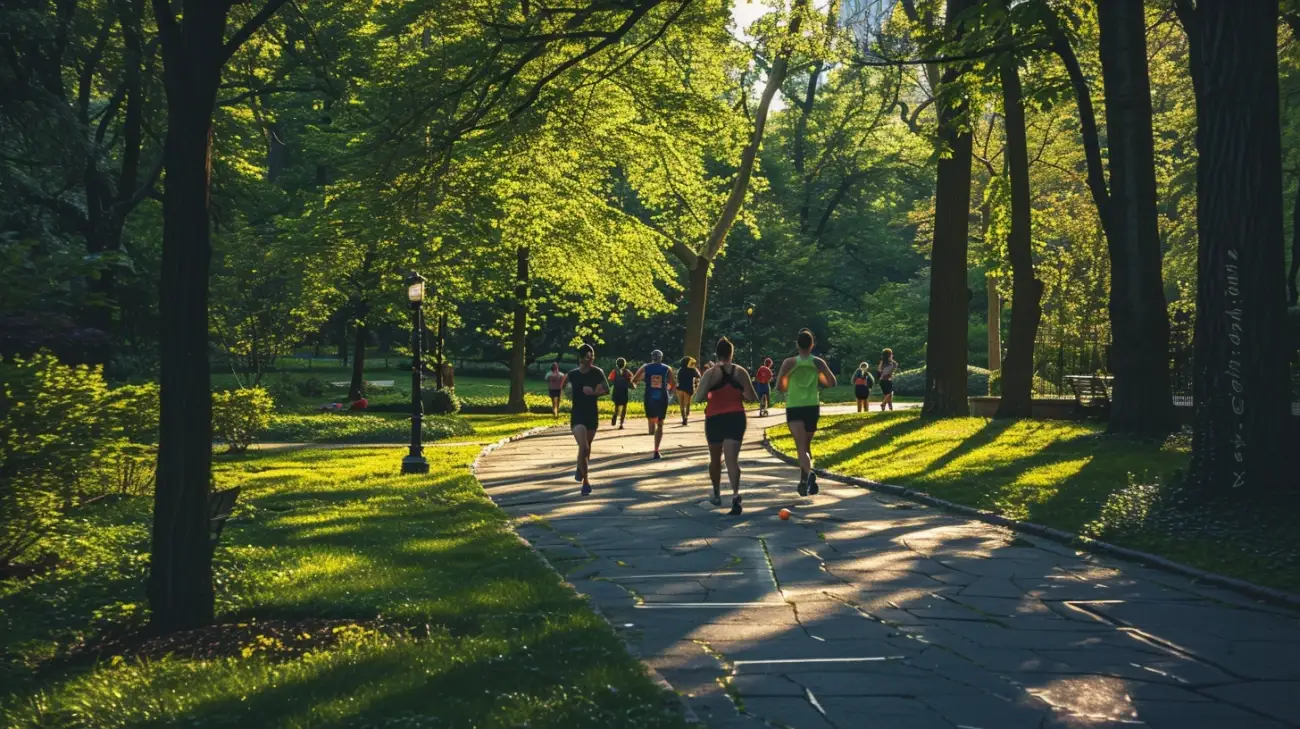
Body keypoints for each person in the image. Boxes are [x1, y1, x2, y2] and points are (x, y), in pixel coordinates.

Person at [693, 337, 758, 515]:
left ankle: (716, 494)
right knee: (731, 460)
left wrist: (706, 388)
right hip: (736, 417)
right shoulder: (741, 372)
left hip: (715, 418)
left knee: (715, 458)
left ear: (717, 353)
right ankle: (736, 495)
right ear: (731, 353)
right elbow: (752, 397)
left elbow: (697, 398)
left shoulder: (711, 373)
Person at [776, 328, 837, 497]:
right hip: (812, 406)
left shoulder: (789, 363)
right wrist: (818, 376)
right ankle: (804, 482)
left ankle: (809, 475)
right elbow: (831, 382)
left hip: (795, 406)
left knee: (801, 447)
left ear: (797, 344)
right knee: (806, 446)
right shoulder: (818, 362)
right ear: (812, 345)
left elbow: (780, 386)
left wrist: (788, 379)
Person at [564, 344, 608, 496]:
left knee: (587, 448)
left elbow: (606, 389)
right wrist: (567, 391)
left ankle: (579, 467)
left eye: (592, 357)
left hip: (591, 414)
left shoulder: (597, 372)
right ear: (581, 358)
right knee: (583, 446)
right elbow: (564, 387)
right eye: (587, 357)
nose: (590, 360)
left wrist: (594, 392)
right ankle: (586, 482)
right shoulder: (572, 374)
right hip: (577, 414)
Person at [632, 349, 676, 459]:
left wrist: (644, 379)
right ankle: (656, 450)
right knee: (660, 424)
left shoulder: (645, 367)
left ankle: (654, 441)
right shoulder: (667, 368)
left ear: (652, 357)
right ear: (661, 357)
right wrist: (670, 394)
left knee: (653, 422)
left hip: (650, 397)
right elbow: (673, 384)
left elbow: (634, 380)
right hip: (662, 397)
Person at [607, 357, 636, 428]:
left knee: (616, 406)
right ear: (624, 364)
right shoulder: (627, 372)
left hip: (616, 391)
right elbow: (631, 380)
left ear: (616, 364)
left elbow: (610, 379)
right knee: (624, 407)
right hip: (624, 391)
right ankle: (621, 423)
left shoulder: (614, 371)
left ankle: (615, 415)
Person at [676, 356, 700, 425]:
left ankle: (683, 418)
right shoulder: (692, 370)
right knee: (687, 404)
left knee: (681, 404)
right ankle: (686, 418)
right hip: (688, 389)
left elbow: (677, 379)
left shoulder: (680, 370)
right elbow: (698, 376)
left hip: (679, 389)